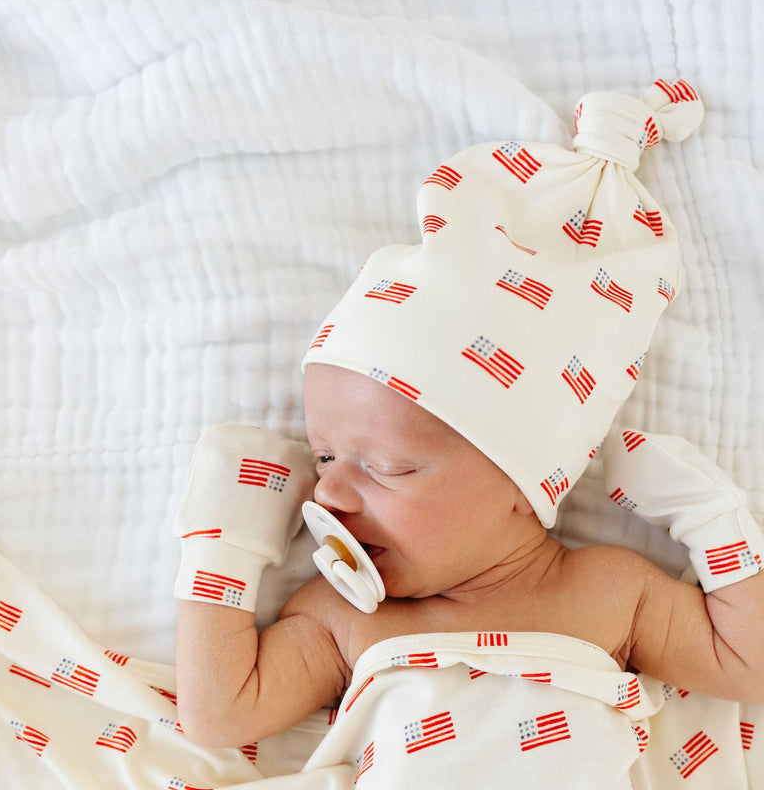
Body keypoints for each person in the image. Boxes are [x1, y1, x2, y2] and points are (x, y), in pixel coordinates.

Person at [172, 82, 764, 786]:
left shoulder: (606, 591)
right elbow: (218, 715)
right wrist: (227, 545)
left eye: (385, 466)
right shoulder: (348, 620)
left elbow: (749, 664)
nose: (327, 488)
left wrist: (712, 523)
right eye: (326, 455)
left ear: (525, 481)